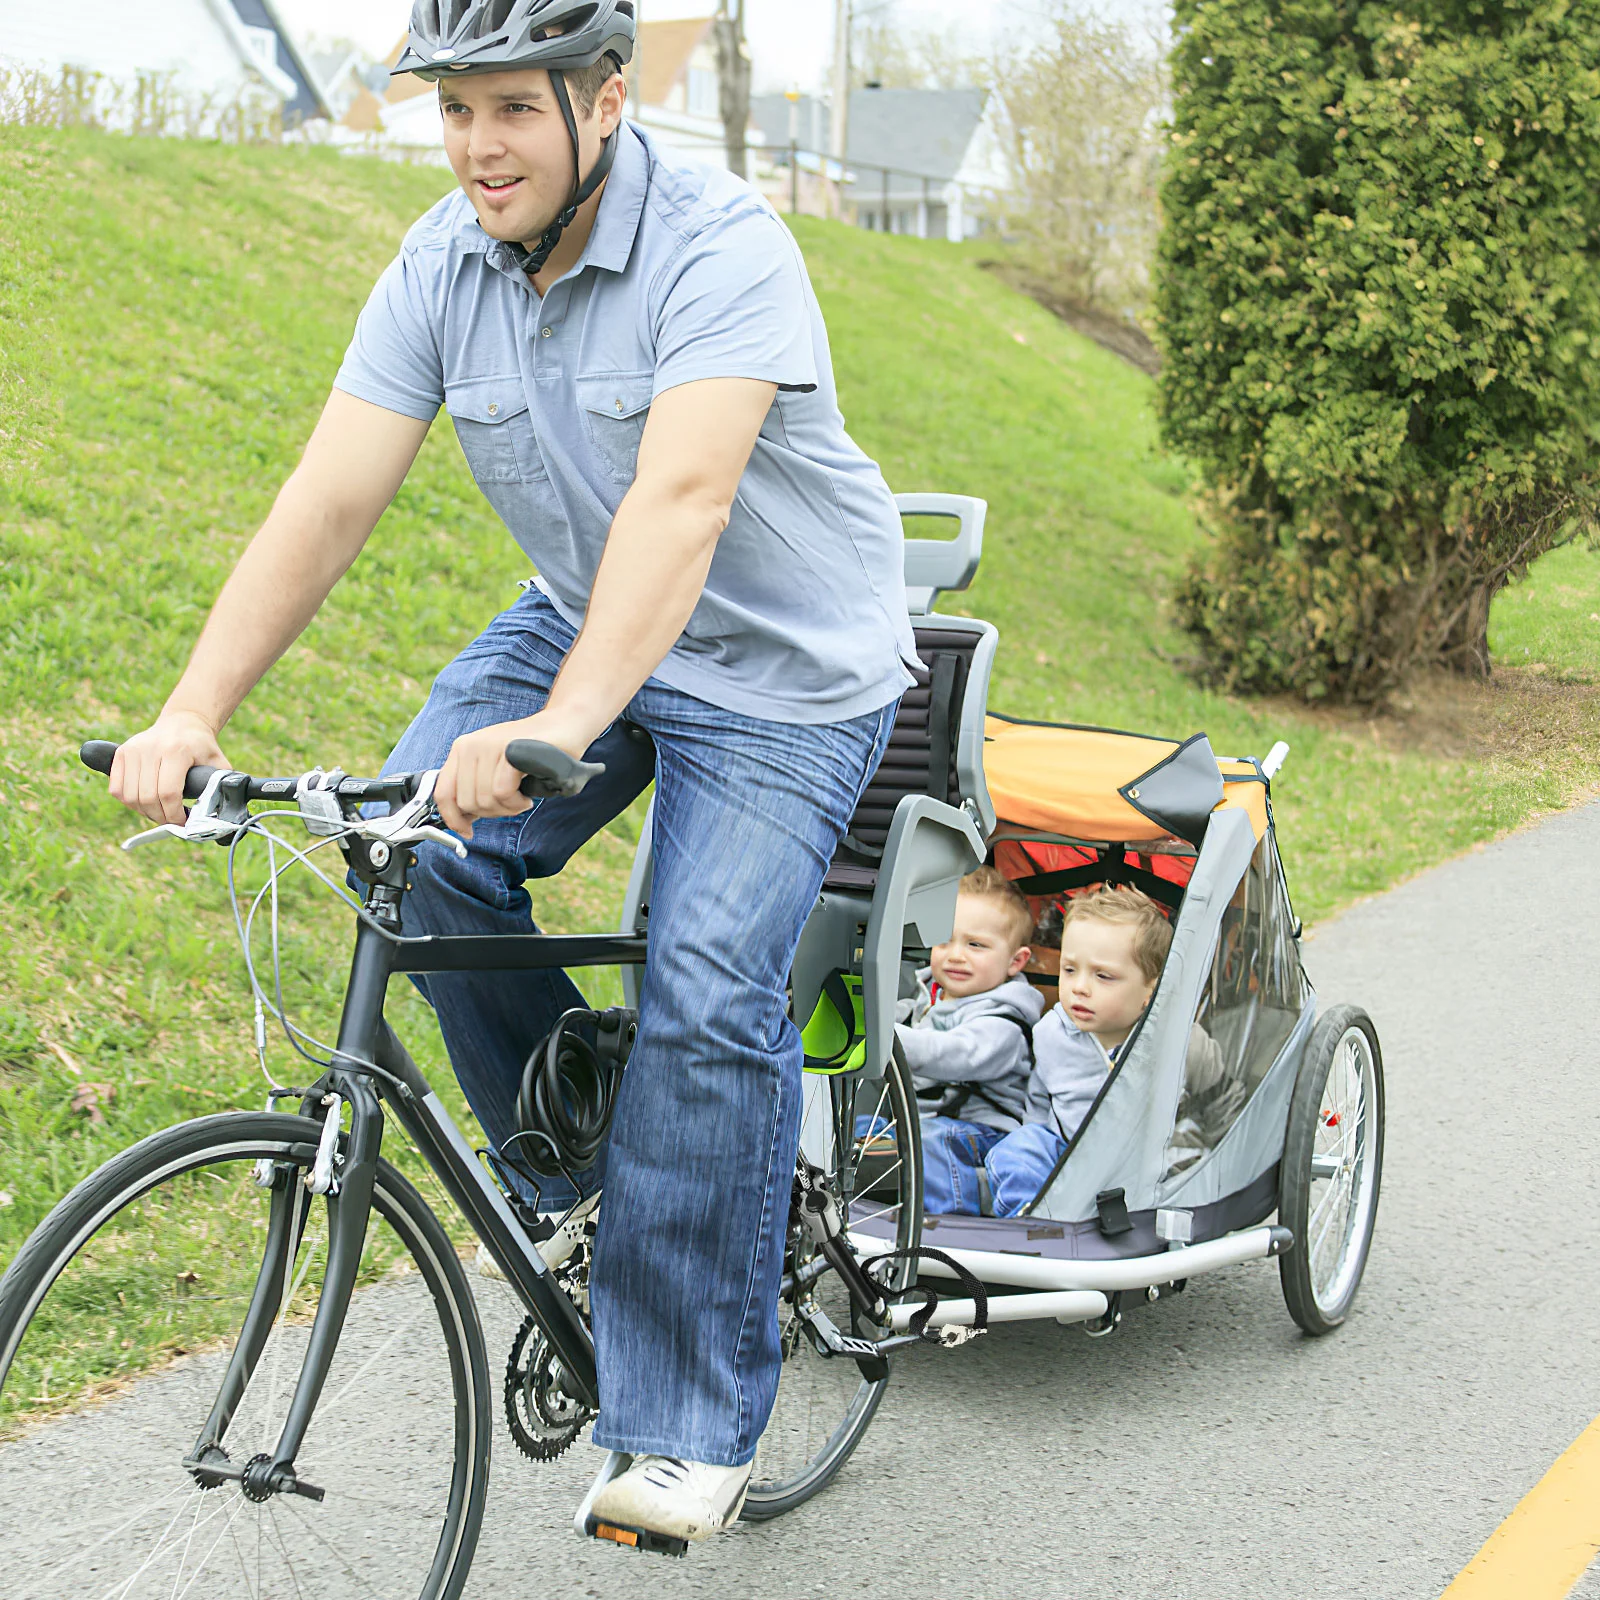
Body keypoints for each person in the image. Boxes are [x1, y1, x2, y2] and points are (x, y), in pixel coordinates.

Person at [104, 0, 916, 1546]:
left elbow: (683, 506)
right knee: (411, 857)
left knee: (704, 986)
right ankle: (610, 1191)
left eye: (513, 110)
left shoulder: (723, 248)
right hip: (586, 616)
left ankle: (687, 1424)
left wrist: (566, 722)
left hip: (785, 667)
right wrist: (192, 708)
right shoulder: (440, 266)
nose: (478, 147)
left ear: (604, 100)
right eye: (455, 109)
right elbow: (327, 499)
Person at [929, 885, 1171, 1217]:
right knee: (1018, 1149)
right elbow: (1038, 1102)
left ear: (1150, 990)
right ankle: (1029, 1220)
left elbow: (1213, 1096)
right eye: (1069, 970)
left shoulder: (1168, 1039)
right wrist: (1032, 1138)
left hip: (1136, 1162)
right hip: (1064, 1153)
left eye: (1103, 976)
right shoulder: (1051, 1033)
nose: (1079, 988)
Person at [897, 867, 1045, 1215]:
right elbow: (894, 1015)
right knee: (862, 1132)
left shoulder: (1005, 1024)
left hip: (986, 1134)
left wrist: (888, 1036)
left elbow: (954, 1054)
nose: (956, 955)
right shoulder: (928, 995)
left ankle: (951, 1220)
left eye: (975, 945)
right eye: (944, 940)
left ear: (1015, 961)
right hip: (927, 1123)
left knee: (927, 1141)